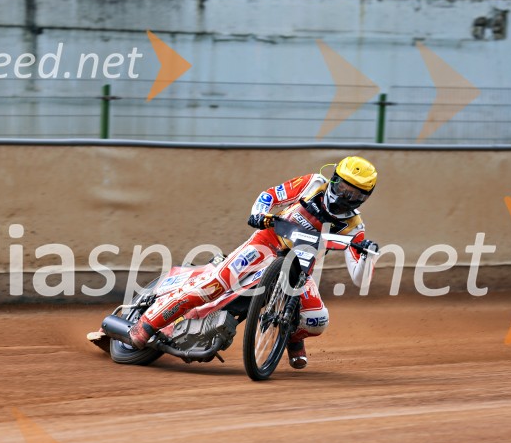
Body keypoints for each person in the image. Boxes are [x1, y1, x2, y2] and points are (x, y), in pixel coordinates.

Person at [128, 156, 379, 369]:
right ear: (334, 179)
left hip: (299, 269)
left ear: (365, 197)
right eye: (344, 187)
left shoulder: (355, 228)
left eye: (355, 193)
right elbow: (270, 195)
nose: (346, 195)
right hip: (266, 242)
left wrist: (369, 255)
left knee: (317, 321)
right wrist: (260, 214)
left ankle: (290, 334)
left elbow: (360, 278)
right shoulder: (312, 183)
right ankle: (146, 325)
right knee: (213, 286)